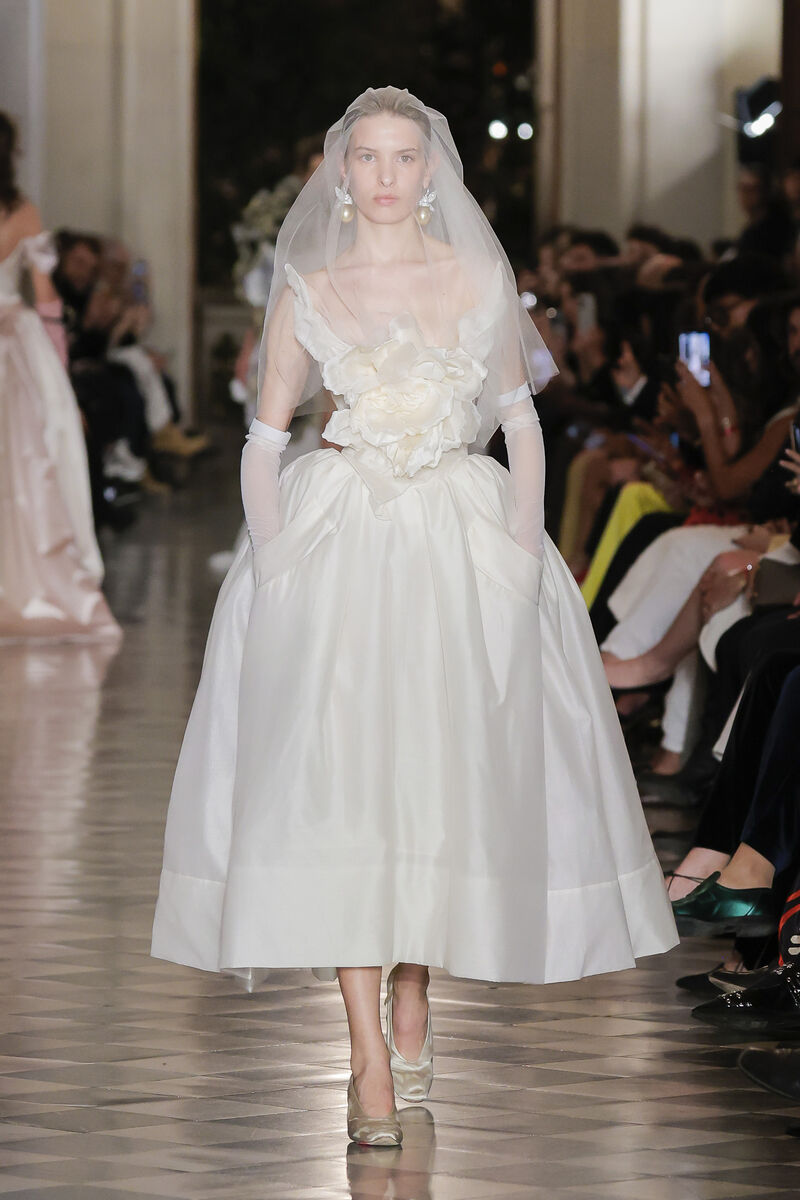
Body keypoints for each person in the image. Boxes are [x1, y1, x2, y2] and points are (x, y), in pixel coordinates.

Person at [150, 86, 678, 1147]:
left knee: (439, 777)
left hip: (455, 534)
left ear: (431, 170)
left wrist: (521, 553)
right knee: (338, 788)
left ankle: (413, 981)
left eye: (403, 156)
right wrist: (277, 558)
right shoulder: (308, 285)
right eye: (367, 157)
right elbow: (265, 437)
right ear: (339, 174)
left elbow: (521, 423)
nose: (385, 175)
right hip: (338, 536)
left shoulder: (477, 276)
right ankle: (366, 1059)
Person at [0, 112, 120, 642]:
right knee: (27, 465)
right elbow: (47, 300)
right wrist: (60, 373)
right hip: (16, 344)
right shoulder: (22, 214)